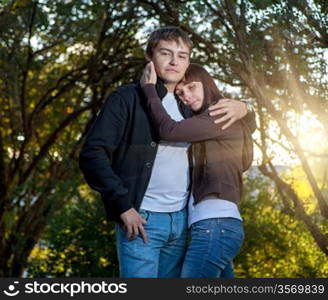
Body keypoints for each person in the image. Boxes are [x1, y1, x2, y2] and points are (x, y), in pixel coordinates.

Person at [79, 26, 255, 278]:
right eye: (166, 53)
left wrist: (246, 108)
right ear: (150, 57)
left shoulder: (192, 107)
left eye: (182, 55)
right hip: (141, 219)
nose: (174, 61)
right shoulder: (127, 99)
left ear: (188, 62)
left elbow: (233, 139)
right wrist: (122, 206)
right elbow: (92, 154)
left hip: (184, 221)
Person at [140, 62, 255, 278]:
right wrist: (248, 110)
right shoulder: (207, 122)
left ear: (207, 83)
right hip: (216, 227)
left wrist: (149, 89)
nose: (186, 96)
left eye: (192, 87)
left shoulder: (218, 114)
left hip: (215, 226)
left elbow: (169, 130)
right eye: (181, 92)